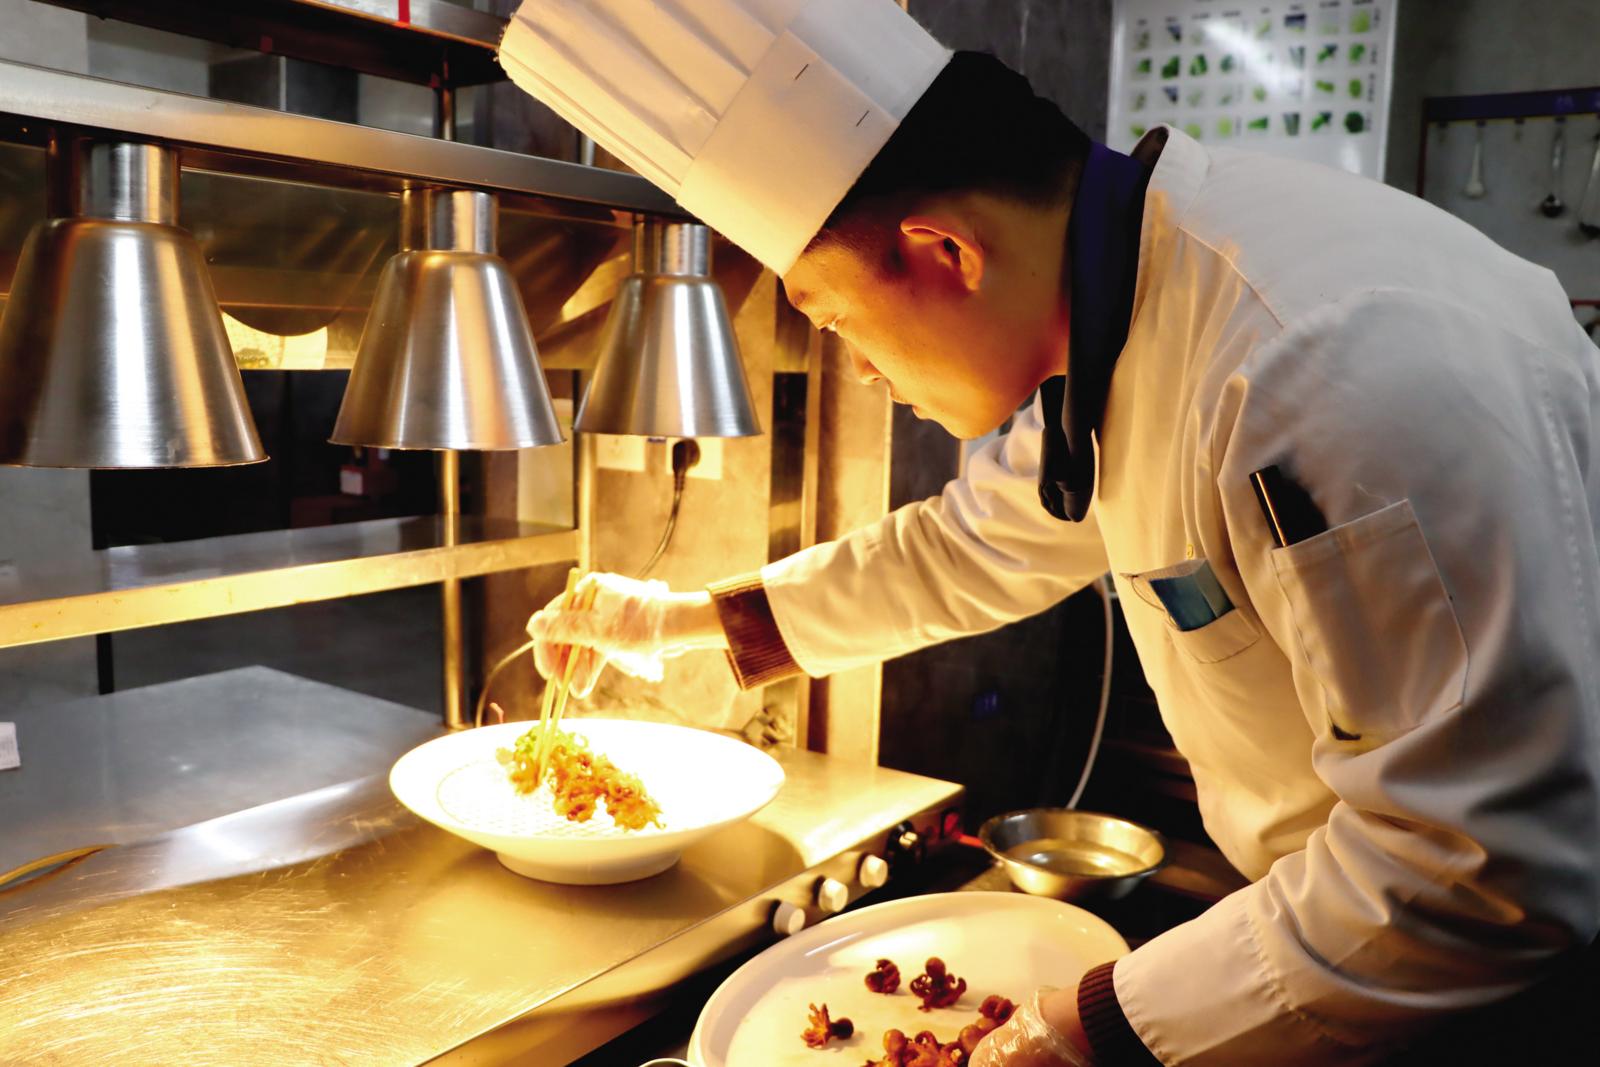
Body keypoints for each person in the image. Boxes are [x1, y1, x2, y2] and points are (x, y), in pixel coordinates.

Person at [500, 2, 1600, 1063]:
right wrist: (689, 618)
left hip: (1492, 995)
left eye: (833, 319)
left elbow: (1475, 869)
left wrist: (1092, 1028)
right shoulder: (1135, 311)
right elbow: (972, 545)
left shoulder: (1305, 362)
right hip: (1342, 940)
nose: (862, 372)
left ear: (945, 252)